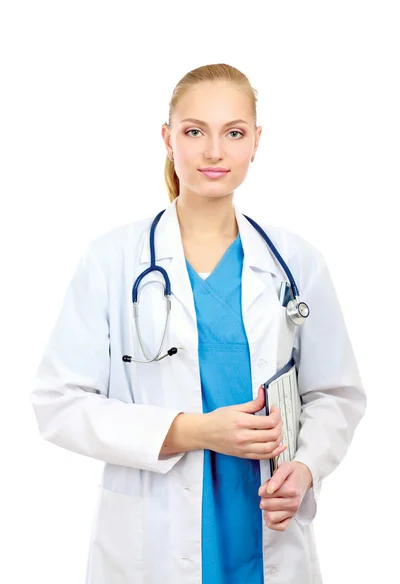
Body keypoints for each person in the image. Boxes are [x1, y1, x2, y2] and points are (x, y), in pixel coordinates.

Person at [30, 63, 367, 584]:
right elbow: (59, 402)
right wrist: (194, 431)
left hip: (264, 522)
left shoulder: (296, 263)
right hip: (153, 535)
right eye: (194, 132)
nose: (215, 151)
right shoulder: (112, 260)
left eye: (234, 133)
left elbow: (335, 394)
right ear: (168, 139)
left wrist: (304, 470)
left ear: (256, 142)